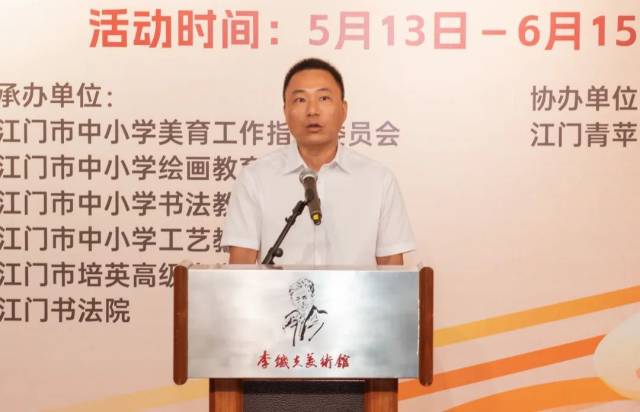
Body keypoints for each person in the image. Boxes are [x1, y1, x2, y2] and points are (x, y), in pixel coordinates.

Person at [221, 58, 415, 265]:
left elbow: (392, 270)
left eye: (323, 98)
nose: (312, 110)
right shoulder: (256, 177)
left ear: (344, 109)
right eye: (300, 100)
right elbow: (240, 268)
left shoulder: (378, 179)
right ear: (285, 111)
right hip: (279, 289)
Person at [282, 278, 327, 346]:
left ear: (312, 297)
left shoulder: (321, 318)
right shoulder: (289, 321)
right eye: (297, 299)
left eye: (304, 297)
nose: (301, 302)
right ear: (292, 301)